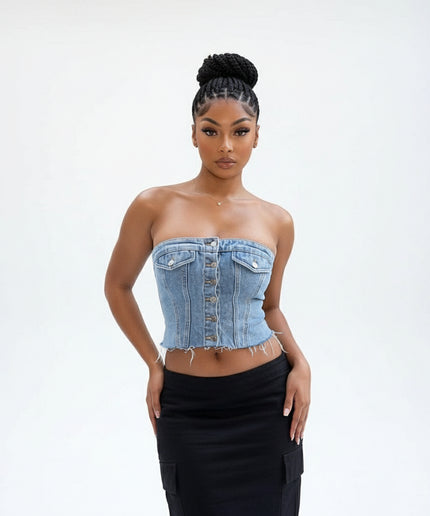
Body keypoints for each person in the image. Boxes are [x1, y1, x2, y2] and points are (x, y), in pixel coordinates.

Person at [104, 52, 311, 516]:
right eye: (211, 131)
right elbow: (117, 287)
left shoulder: (276, 220)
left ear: (257, 135)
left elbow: (271, 308)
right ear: (193, 133)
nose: (226, 146)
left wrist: (301, 364)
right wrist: (154, 364)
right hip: (187, 405)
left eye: (240, 131)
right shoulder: (153, 205)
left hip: (265, 400)